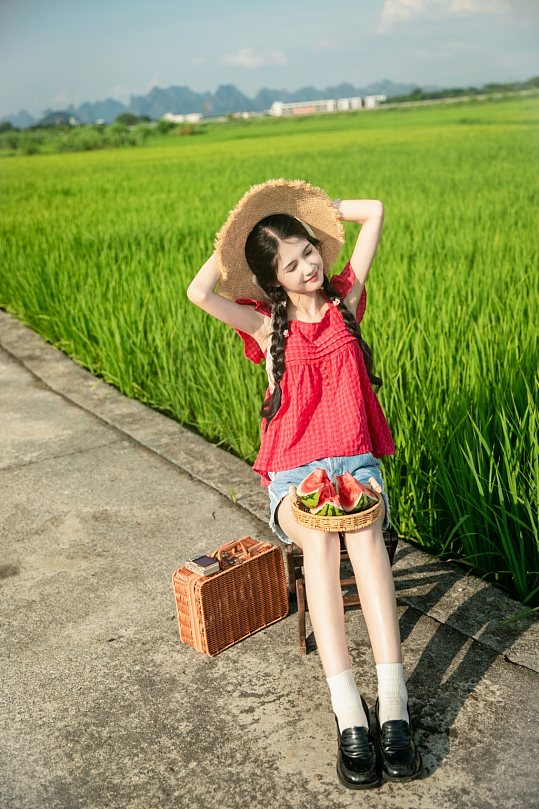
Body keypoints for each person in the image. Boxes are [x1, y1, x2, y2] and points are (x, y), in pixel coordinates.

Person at [187, 178, 421, 790]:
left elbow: (375, 212)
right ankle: (350, 713)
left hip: (357, 467)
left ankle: (393, 705)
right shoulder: (265, 328)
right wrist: (236, 237)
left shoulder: (347, 298)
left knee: (366, 542)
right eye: (290, 264)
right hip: (293, 477)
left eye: (308, 250)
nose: (308, 266)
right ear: (273, 279)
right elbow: (198, 291)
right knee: (318, 545)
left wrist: (317, 211)